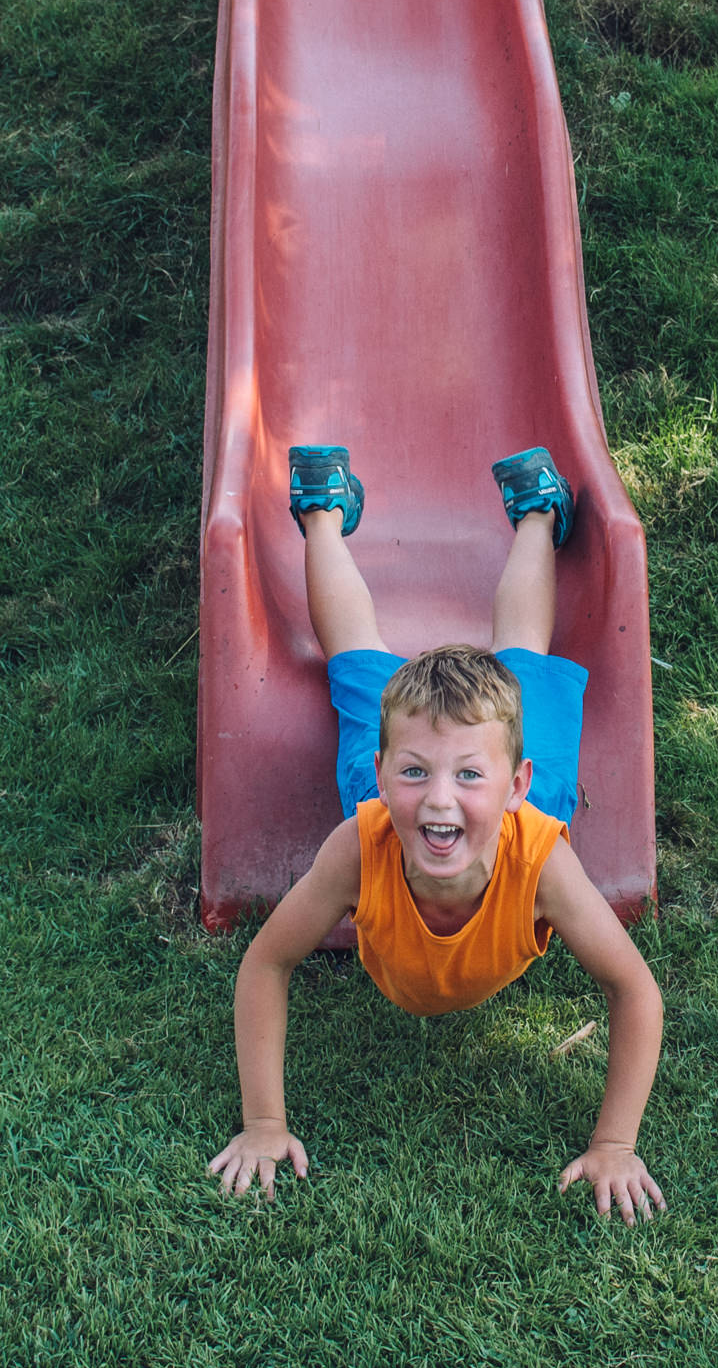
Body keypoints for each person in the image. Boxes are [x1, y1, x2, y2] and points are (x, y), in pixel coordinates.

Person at [209, 441, 666, 1221]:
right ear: (383, 775)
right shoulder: (365, 836)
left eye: (468, 779)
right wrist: (264, 1123)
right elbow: (267, 963)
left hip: (527, 805)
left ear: (512, 784)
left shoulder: (541, 856)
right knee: (352, 659)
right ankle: (320, 513)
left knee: (520, 658)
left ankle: (536, 513)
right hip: (399, 775)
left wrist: (616, 1144)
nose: (439, 804)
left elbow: (634, 991)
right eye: (414, 775)